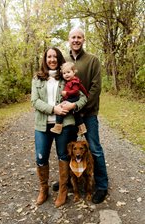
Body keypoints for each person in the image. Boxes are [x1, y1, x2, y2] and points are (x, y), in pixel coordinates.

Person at [53, 27, 108, 204]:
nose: (76, 40)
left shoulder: (93, 60)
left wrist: (79, 107)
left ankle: (101, 185)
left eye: (79, 37)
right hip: (68, 115)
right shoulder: (65, 61)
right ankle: (67, 180)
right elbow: (58, 84)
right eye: (73, 37)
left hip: (88, 113)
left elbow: (95, 88)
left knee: (94, 148)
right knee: (67, 149)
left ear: (83, 39)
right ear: (69, 40)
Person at [31, 47, 87, 207]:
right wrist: (53, 109)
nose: (52, 59)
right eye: (49, 56)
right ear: (45, 59)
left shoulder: (66, 76)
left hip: (65, 125)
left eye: (55, 56)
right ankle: (44, 188)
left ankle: (63, 190)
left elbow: (82, 98)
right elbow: (34, 101)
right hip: (42, 125)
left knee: (63, 156)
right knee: (41, 158)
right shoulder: (37, 78)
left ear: (59, 58)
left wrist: (72, 106)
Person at [50, 61, 88, 135]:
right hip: (72, 98)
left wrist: (66, 93)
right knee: (76, 114)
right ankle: (82, 128)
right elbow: (82, 88)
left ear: (74, 72)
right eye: (64, 73)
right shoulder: (70, 81)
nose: (66, 74)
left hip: (74, 98)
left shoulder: (74, 82)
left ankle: (58, 126)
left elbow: (76, 91)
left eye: (68, 72)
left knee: (61, 108)